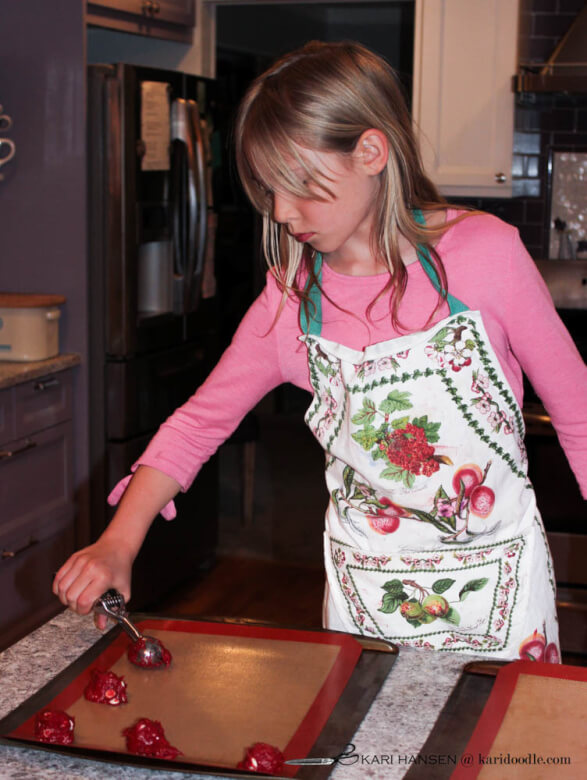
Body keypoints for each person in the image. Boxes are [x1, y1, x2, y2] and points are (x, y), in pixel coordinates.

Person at [54, 41, 586, 660]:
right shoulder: (290, 303)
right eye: (267, 189)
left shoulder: (486, 256)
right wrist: (118, 542)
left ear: (370, 151)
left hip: (501, 591)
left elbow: (577, 410)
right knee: (368, 757)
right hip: (366, 600)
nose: (281, 212)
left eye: (300, 185)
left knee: (494, 756)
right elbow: (197, 426)